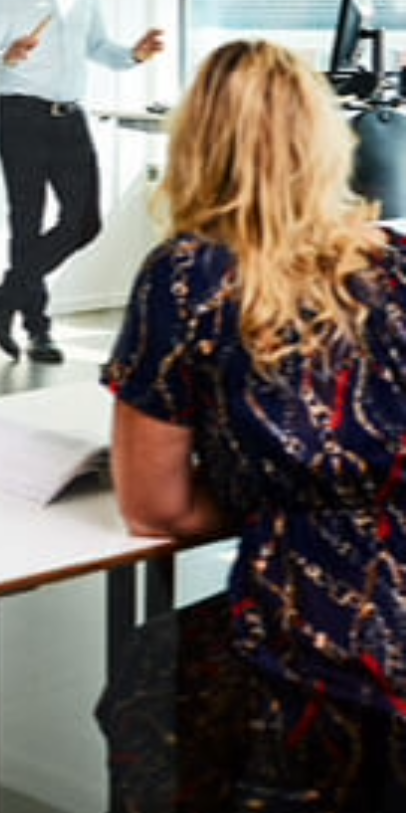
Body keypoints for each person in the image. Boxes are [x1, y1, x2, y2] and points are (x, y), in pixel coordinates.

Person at [103, 39, 406, 807]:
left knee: (144, 679)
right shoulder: (394, 263)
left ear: (196, 143)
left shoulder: (185, 278)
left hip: (314, 644)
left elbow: (156, 509)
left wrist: (280, 497)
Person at [0, 0, 164, 363]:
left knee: (84, 223)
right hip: (22, 117)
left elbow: (99, 47)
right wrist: (6, 58)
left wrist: (133, 55)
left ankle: (3, 297)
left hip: (70, 118)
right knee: (27, 222)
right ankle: (38, 331)